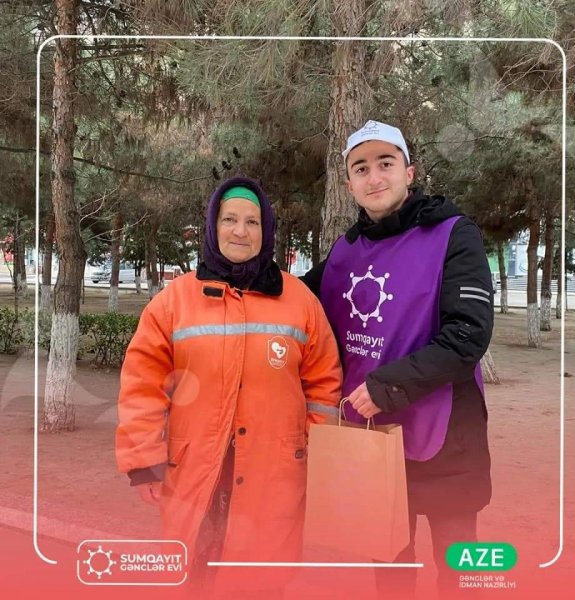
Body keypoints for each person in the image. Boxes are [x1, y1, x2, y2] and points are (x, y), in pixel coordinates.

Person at [116, 176, 342, 599]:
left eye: (252, 222)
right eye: (230, 219)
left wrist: (315, 456)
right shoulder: (174, 302)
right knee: (193, 579)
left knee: (261, 580)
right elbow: (142, 384)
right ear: (212, 226)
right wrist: (143, 460)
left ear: (266, 230)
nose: (241, 231)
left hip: (273, 475)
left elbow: (324, 387)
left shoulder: (300, 302)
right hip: (195, 475)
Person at [301, 120, 494, 598]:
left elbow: (467, 336)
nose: (374, 177)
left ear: (409, 172)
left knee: (458, 571)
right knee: (389, 570)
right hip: (374, 439)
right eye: (360, 168)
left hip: (447, 437)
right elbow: (295, 303)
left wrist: (387, 387)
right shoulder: (345, 250)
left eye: (385, 163)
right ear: (349, 184)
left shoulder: (454, 235)